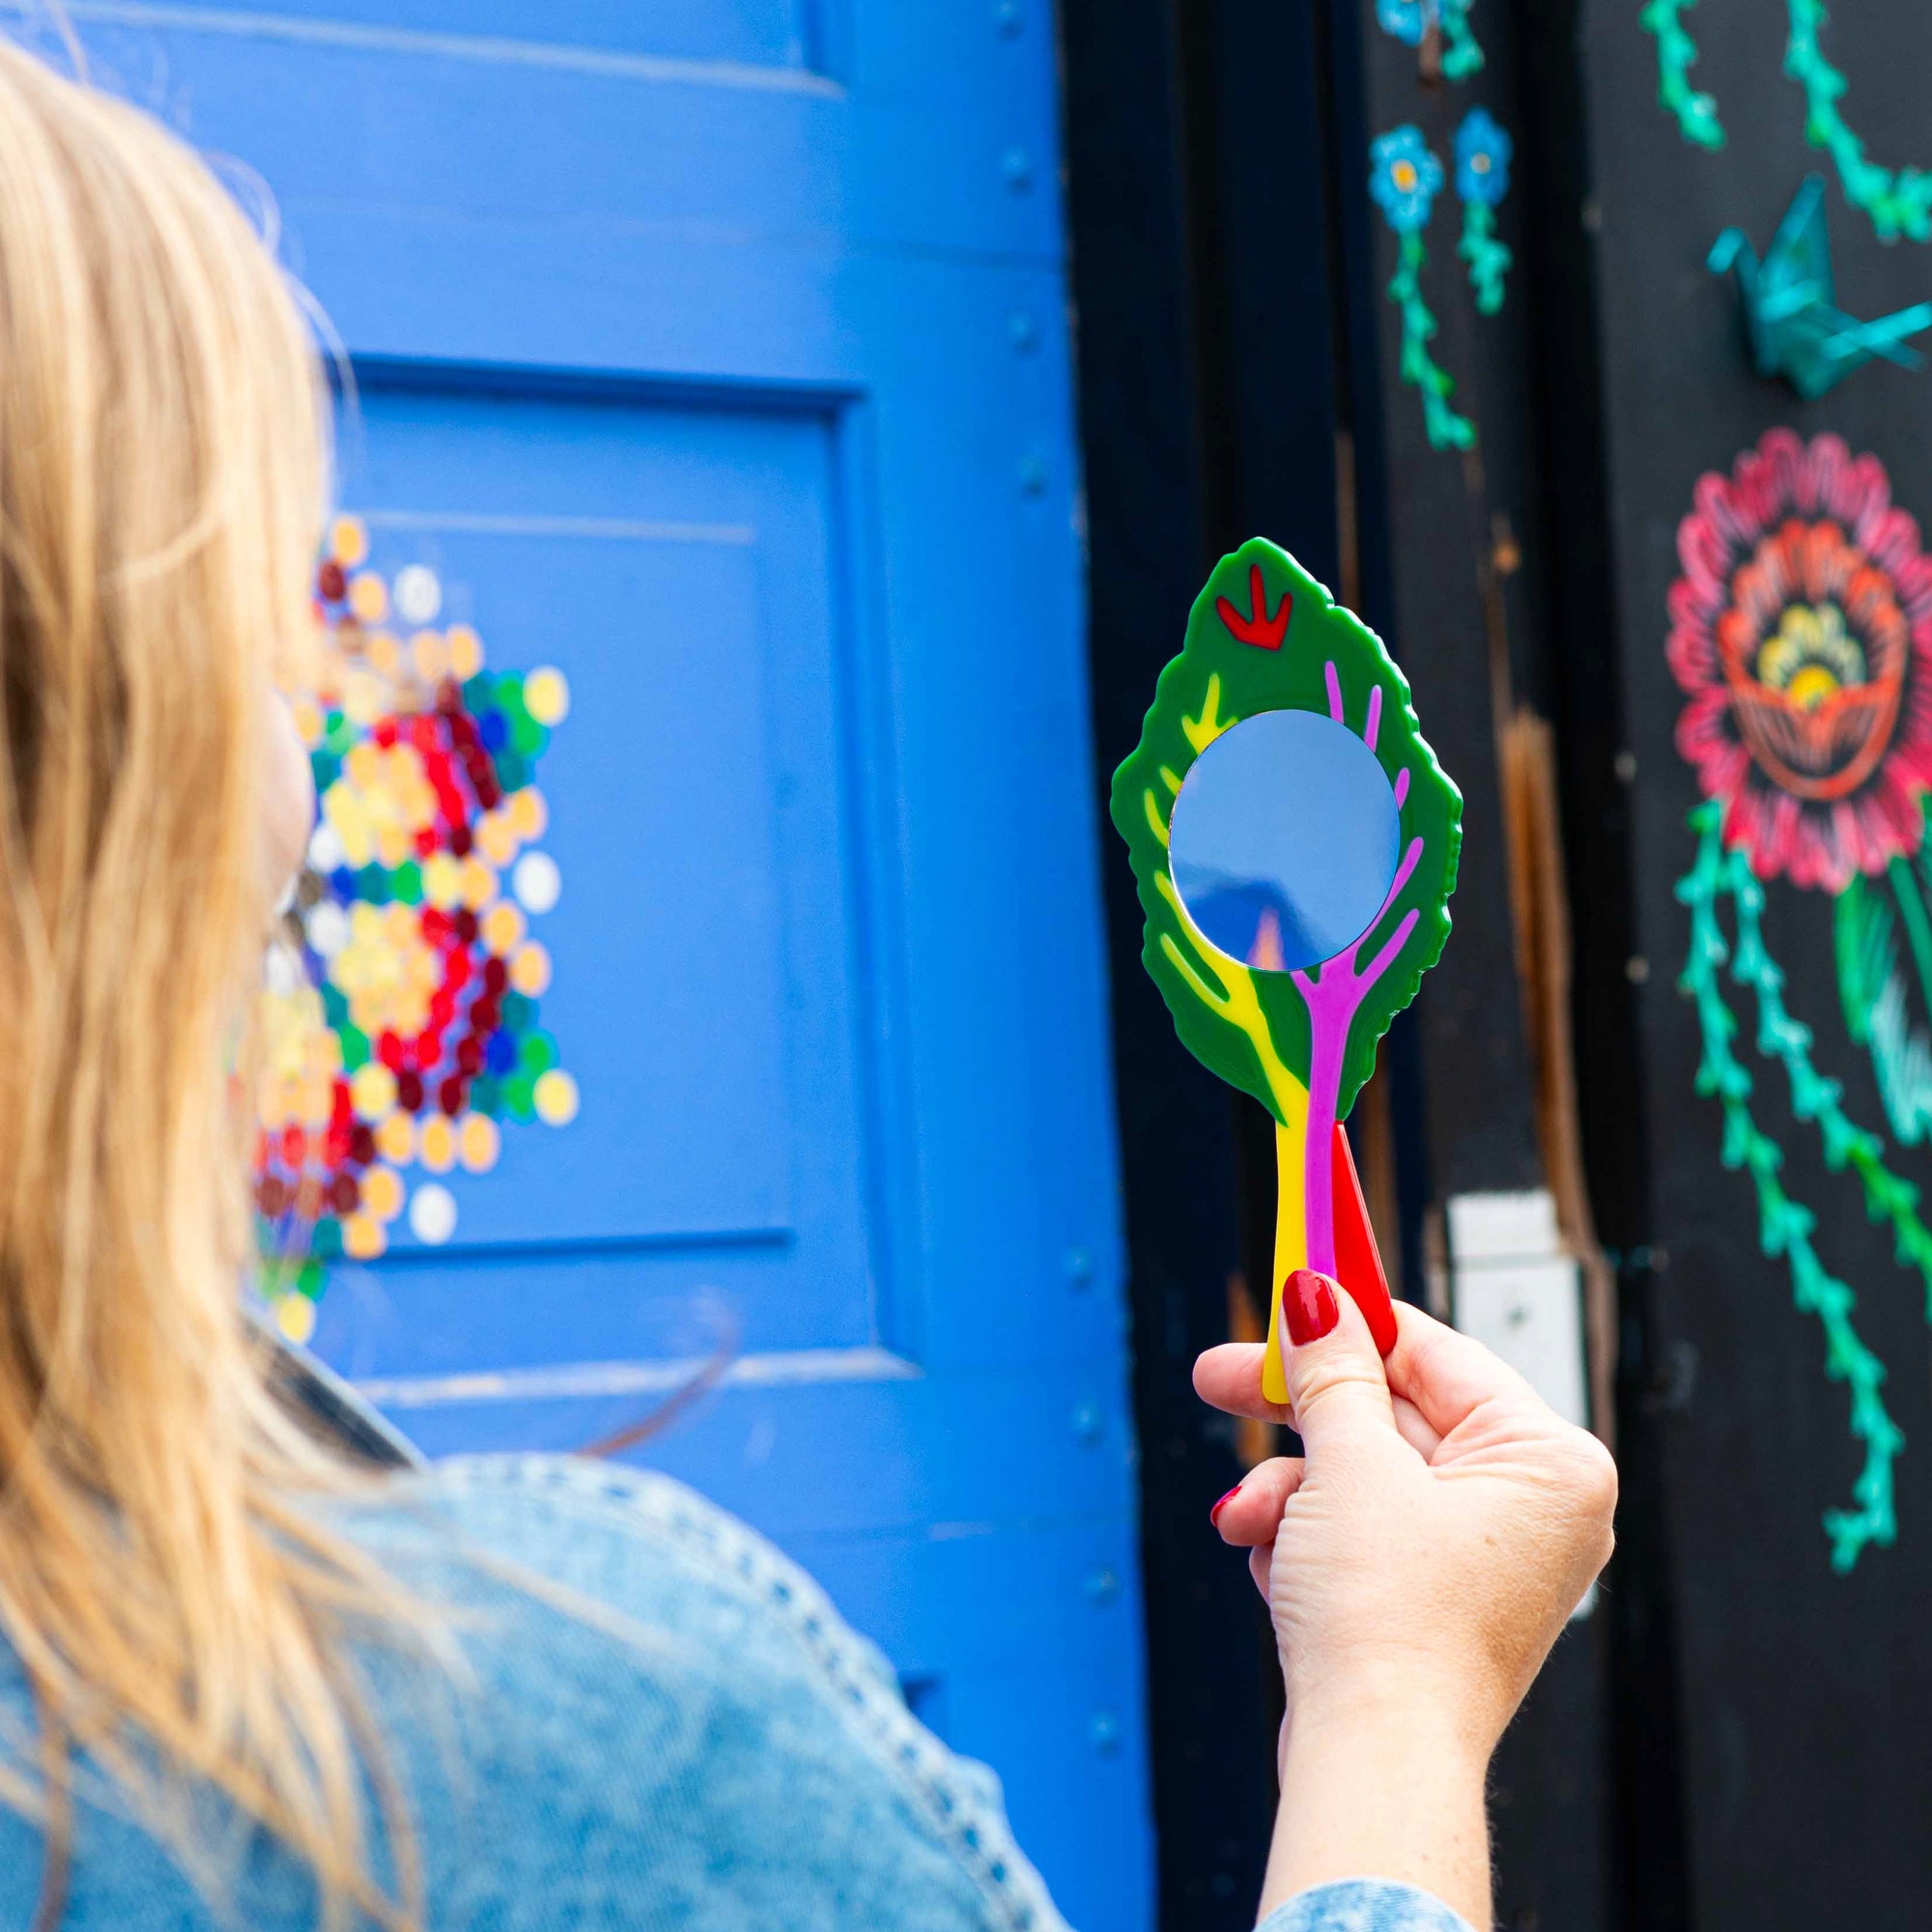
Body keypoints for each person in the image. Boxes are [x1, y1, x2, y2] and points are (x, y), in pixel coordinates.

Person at [0, 39, 1617, 1932]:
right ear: (135, 801)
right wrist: (1399, 1707)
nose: (296, 779)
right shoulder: (538, 1742)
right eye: (243, 641)